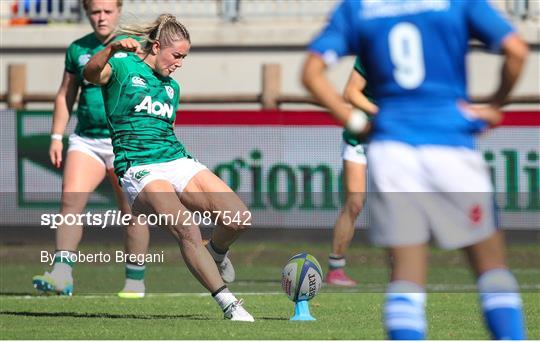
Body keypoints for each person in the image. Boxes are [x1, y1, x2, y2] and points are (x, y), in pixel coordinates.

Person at [303, 0, 528, 339]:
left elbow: (310, 73)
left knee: (406, 274)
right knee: (491, 268)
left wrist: (356, 121)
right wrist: (495, 103)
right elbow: (516, 51)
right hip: (449, 143)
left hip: (393, 151)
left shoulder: (358, 7)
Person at [83, 14, 254, 321]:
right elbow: (91, 73)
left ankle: (216, 252)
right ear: (157, 46)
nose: (179, 63)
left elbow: (167, 130)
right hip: (139, 167)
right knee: (187, 229)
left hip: (176, 160)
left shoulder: (172, 88)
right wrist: (109, 50)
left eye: (184, 57)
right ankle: (229, 304)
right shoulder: (123, 66)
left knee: (238, 218)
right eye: (176, 55)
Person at [32, 0, 151, 299]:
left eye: (107, 11)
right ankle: (62, 275)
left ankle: (135, 281)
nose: (101, 18)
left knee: (132, 212)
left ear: (119, 11)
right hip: (87, 139)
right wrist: (57, 136)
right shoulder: (77, 49)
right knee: (70, 204)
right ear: (87, 13)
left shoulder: (137, 46)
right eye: (95, 12)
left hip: (125, 141)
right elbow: (65, 94)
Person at [326, 57, 377, 287]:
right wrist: (380, 112)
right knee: (355, 203)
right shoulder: (371, 51)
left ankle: (404, 269)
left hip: (393, 138)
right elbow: (351, 92)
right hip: (361, 137)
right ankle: (336, 268)